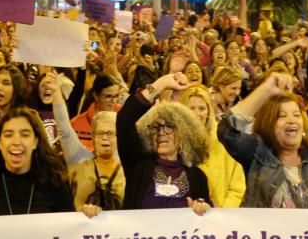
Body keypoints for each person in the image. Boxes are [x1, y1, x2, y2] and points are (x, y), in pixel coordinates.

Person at [217, 73, 308, 216]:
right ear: (268, 123)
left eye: (296, 115)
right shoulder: (257, 152)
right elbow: (227, 132)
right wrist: (266, 89)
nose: (291, 120)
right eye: (282, 116)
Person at [0, 107, 77, 217]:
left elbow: (71, 227)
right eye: (8, 135)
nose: (16, 141)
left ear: (35, 142)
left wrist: (88, 217)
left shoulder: (54, 180)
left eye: (25, 135)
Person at [117, 72, 212, 215]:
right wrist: (162, 84)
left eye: (168, 127)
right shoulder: (138, 165)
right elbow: (125, 119)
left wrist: (204, 209)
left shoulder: (197, 177)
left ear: (183, 133)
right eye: (155, 127)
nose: (161, 132)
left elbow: (207, 221)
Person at [47, 73, 126, 211]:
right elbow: (65, 130)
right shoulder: (78, 158)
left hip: (120, 232)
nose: (105, 137)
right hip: (80, 230)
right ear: (93, 136)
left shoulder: (128, 163)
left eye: (111, 133)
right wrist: (56, 92)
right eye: (100, 133)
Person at [179, 86, 245, 208]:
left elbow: (237, 186)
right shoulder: (174, 142)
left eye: (202, 108)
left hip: (221, 217)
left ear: (209, 111)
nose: (197, 113)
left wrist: (222, 214)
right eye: (191, 108)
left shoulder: (223, 140)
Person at [70, 75, 121, 152]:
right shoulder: (76, 123)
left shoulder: (125, 116)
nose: (114, 101)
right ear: (96, 96)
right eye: (108, 96)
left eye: (116, 96)